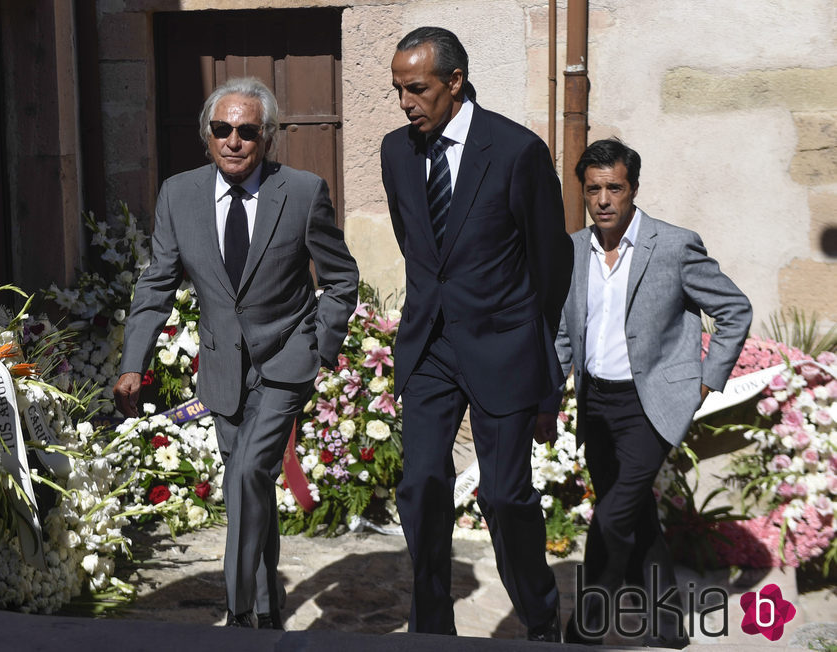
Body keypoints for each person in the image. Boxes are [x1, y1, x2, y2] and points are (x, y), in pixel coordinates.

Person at [114, 77, 358, 629]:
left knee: (247, 473)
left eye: (247, 131)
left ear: (267, 137)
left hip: (285, 365)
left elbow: (341, 279)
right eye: (222, 129)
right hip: (223, 371)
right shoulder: (179, 195)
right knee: (252, 490)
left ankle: (239, 610)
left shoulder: (301, 191)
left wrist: (319, 348)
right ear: (207, 135)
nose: (233, 141)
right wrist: (134, 362)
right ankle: (270, 611)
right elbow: (157, 285)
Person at [380, 26, 572, 640]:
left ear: (455, 82)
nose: (406, 102)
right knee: (422, 484)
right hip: (430, 347)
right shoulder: (395, 151)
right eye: (398, 90)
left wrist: (546, 372)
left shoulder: (516, 151)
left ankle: (540, 616)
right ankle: (432, 627)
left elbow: (551, 265)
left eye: (417, 89)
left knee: (506, 497)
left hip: (504, 346)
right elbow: (417, 244)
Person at [540, 138, 751, 647]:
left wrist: (705, 378)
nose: (604, 200)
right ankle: (669, 624)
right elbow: (567, 334)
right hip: (596, 404)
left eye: (615, 187)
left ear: (633, 188)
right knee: (633, 513)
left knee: (611, 517)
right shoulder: (571, 251)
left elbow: (733, 309)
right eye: (594, 190)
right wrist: (548, 401)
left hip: (648, 407)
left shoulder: (674, 245)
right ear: (584, 193)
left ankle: (584, 629)